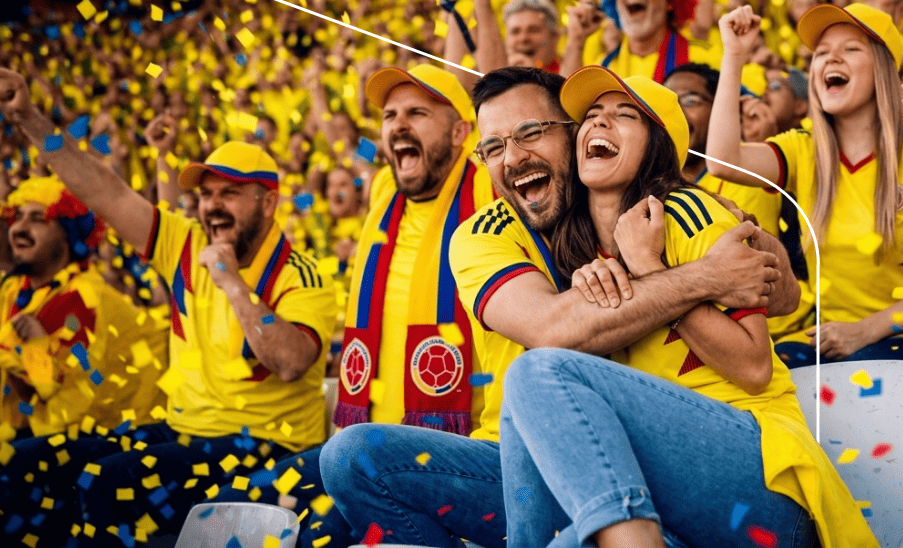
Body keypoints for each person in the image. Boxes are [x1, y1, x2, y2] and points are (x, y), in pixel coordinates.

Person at [319, 66, 799, 547]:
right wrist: (700, 277)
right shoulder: (484, 235)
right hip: (524, 466)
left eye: (530, 133)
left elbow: (778, 296)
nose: (512, 158)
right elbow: (553, 329)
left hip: (691, 461)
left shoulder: (634, 219)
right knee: (350, 456)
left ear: (572, 136)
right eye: (493, 148)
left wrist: (747, 243)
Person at [500, 64, 875, 548]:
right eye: (591, 115)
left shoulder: (693, 212)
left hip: (766, 483)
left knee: (537, 372)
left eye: (624, 115)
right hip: (670, 504)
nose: (598, 123)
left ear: (658, 144)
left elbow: (754, 364)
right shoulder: (575, 251)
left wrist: (651, 270)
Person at [0, 66, 338, 546]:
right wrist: (29, 117)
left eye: (231, 194)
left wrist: (232, 284)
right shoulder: (184, 244)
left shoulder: (300, 274)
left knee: (109, 480)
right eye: (206, 195)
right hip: (180, 430)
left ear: (268, 203)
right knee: (28, 463)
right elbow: (103, 190)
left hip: (267, 445)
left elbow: (290, 362)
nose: (213, 206)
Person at [211, 63, 495, 547]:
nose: (398, 125)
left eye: (417, 113)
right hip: (363, 436)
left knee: (314, 534)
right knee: (236, 505)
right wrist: (315, 93)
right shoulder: (386, 188)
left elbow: (497, 94)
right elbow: (350, 148)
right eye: (389, 116)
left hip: (443, 449)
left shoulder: (488, 187)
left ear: (461, 132)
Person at [705, 3, 903, 367]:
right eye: (822, 53)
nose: (830, 60)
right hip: (824, 342)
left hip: (891, 341)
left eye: (851, 49)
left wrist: (867, 330)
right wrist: (733, 56)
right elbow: (721, 161)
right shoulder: (802, 148)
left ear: (885, 70)